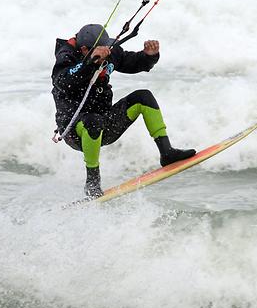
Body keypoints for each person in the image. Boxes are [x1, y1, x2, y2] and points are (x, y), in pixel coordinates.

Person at [52, 24, 195, 198]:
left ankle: (167, 153)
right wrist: (89, 63)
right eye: (101, 50)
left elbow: (133, 62)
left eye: (107, 48)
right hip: (75, 131)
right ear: (83, 49)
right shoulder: (66, 57)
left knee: (144, 97)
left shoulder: (109, 51)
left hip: (105, 124)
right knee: (93, 121)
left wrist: (149, 56)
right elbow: (63, 81)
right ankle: (92, 182)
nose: (107, 53)